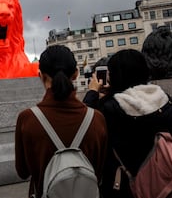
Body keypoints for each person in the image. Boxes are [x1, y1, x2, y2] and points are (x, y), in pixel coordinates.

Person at [83, 49, 172, 198]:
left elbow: (87, 123)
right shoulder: (165, 99)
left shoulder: (110, 107)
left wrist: (92, 92)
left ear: (117, 75)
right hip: (168, 181)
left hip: (126, 187)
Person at [15, 45, 108, 198]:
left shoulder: (27, 119)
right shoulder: (97, 119)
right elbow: (99, 171)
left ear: (41, 76)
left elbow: (22, 172)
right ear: (76, 74)